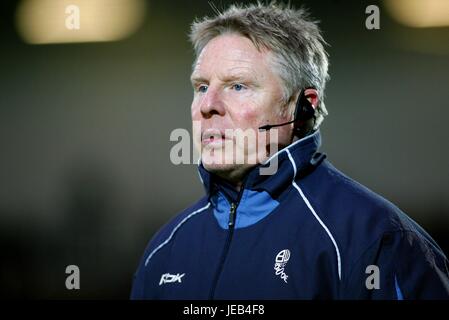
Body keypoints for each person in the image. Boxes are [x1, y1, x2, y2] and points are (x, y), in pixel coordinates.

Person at [131, 3, 449, 299]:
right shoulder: (165, 250)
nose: (207, 106)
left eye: (237, 86)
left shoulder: (376, 241)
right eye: (201, 87)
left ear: (301, 108)